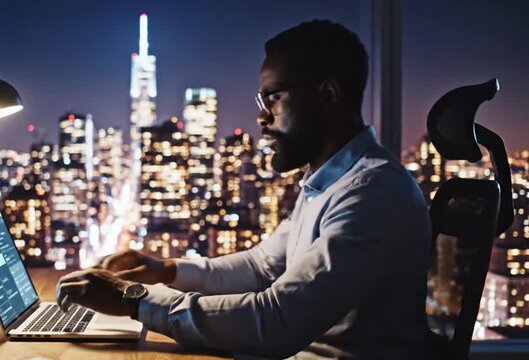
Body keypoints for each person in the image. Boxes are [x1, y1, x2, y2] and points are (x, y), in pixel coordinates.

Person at [56, 19, 431, 359]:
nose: (261, 116)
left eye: (273, 98)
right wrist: (162, 269)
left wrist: (132, 299)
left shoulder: (372, 192)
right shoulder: (329, 184)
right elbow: (259, 267)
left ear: (327, 94)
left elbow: (278, 321)